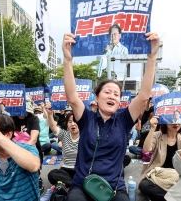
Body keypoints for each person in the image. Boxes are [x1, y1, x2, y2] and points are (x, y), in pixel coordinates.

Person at [62, 31, 160, 201]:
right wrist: (68, 60)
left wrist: (151, 58)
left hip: (113, 188)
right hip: (83, 185)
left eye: (116, 94)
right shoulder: (86, 119)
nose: (112, 96)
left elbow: (144, 95)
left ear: (120, 101)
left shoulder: (124, 120)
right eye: (107, 92)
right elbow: (72, 97)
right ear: (97, 97)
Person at [139, 116, 181, 201]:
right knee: (144, 185)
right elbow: (147, 149)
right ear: (165, 121)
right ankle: (175, 197)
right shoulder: (157, 135)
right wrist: (152, 128)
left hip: (177, 176)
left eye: (179, 120)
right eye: (172, 120)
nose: (176, 123)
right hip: (158, 175)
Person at [45, 103, 79, 187]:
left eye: (75, 121)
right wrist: (50, 114)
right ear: (67, 124)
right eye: (70, 122)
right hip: (65, 169)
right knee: (52, 174)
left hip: (80, 169)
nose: (73, 124)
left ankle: (67, 185)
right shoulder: (64, 134)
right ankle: (74, 184)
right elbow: (53, 126)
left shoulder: (86, 135)